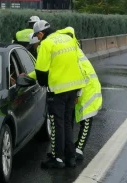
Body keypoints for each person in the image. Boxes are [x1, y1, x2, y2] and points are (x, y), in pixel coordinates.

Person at [28, 20, 87, 169]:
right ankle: (70, 157)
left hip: (58, 90)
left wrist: (42, 84)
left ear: (41, 34)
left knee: (57, 124)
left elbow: (41, 71)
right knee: (67, 122)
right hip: (74, 87)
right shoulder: (68, 38)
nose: (38, 39)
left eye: (37, 36)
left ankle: (57, 158)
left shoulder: (46, 44)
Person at [54, 27, 103, 161]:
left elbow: (82, 75)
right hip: (82, 89)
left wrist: (77, 94)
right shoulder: (73, 50)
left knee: (85, 120)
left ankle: (79, 149)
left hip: (88, 90)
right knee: (74, 120)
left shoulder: (73, 52)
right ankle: (74, 147)